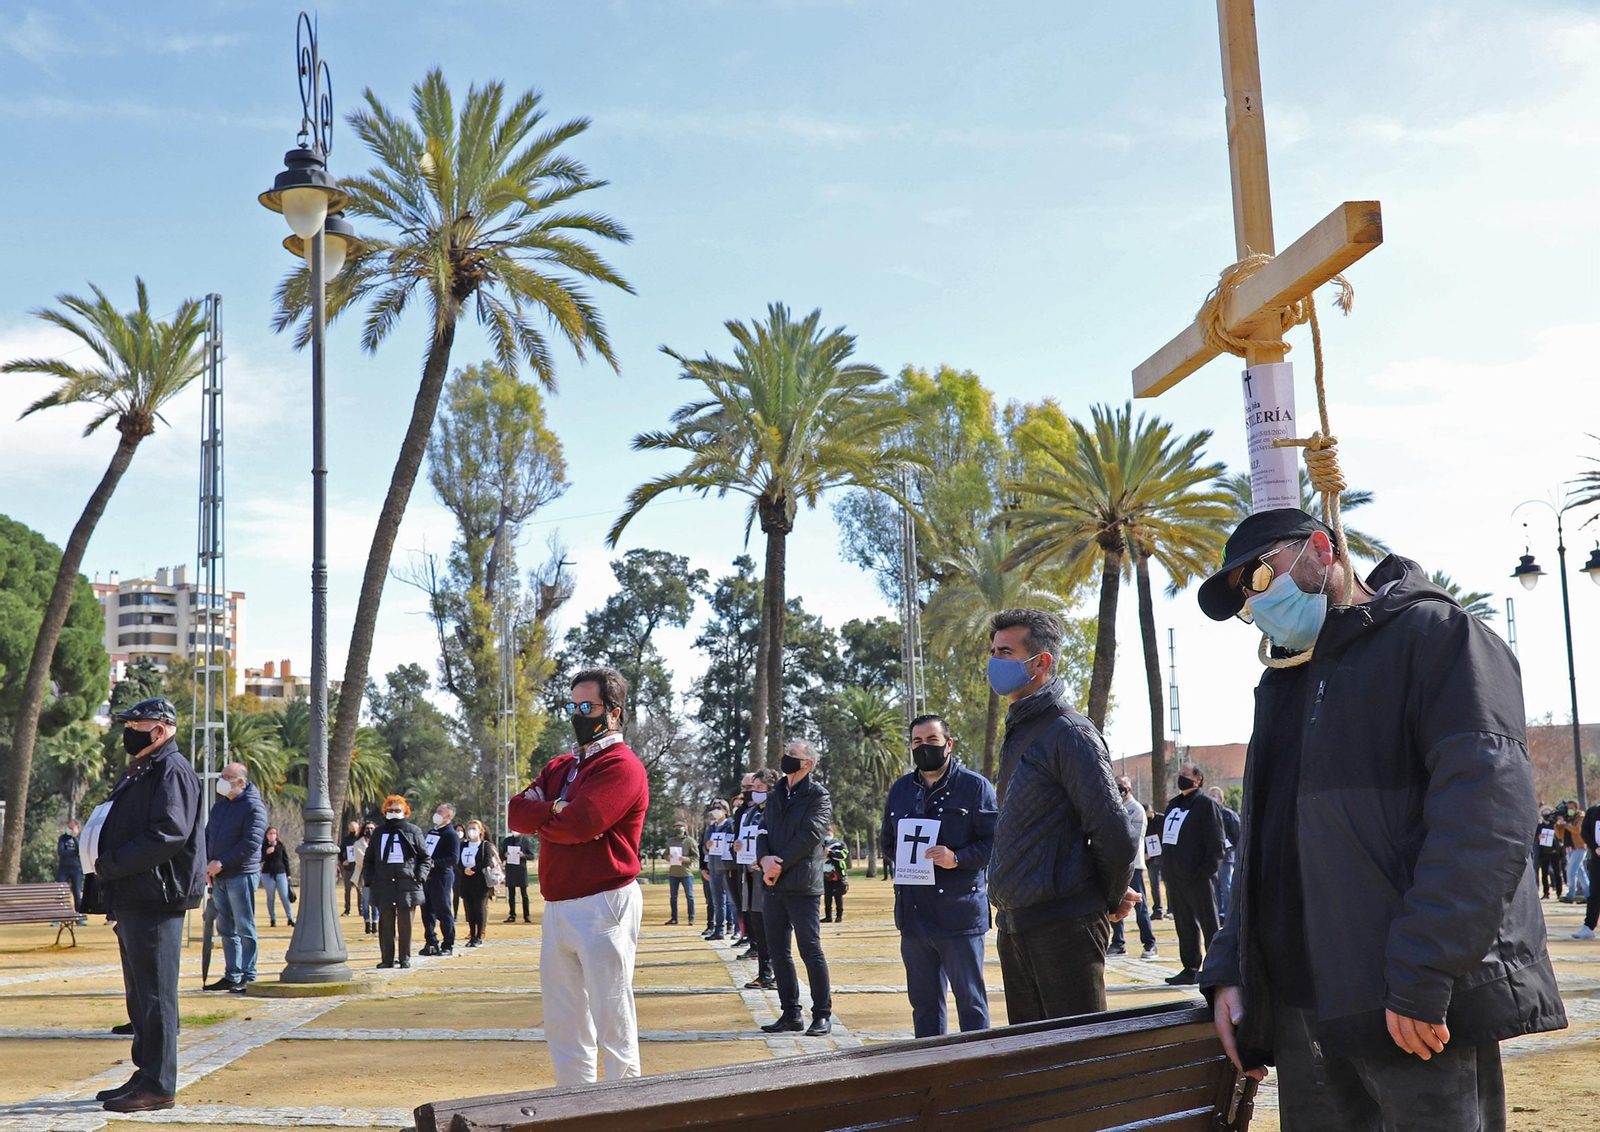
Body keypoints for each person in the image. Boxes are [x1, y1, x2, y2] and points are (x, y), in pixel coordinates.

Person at [1195, 507, 1565, 1129]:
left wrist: (1423, 970)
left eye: (1258, 579)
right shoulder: (1284, 682)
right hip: (1303, 1010)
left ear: (1321, 548)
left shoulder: (1438, 638)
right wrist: (1233, 966)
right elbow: (1266, 843)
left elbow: (1487, 820)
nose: (1254, 606)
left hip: (1408, 1009)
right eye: (1242, 601)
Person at [985, 608, 1139, 1023]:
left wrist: (1103, 899)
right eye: (993, 651)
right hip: (1017, 925)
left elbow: (1114, 834)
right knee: (1032, 1063)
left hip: (1063, 927)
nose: (994, 662)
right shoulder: (1021, 728)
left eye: (1006, 651)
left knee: (1079, 1065)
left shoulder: (1068, 731)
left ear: (1042, 662)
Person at [508, 666, 649, 1086]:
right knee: (564, 1022)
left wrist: (549, 813)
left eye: (588, 706)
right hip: (559, 905)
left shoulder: (621, 766)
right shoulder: (562, 765)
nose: (578, 713)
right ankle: (575, 1108)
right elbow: (516, 813)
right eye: (573, 705)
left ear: (615, 713)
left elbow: (582, 823)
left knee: (612, 1018)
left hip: (604, 901)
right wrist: (555, 809)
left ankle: (624, 1107)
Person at [91, 697, 205, 1113]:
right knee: (140, 996)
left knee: (156, 995)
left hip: (157, 896)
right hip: (135, 894)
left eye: (135, 724)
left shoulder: (172, 771)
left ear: (160, 729)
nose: (128, 730)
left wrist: (115, 864)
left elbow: (169, 833)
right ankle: (145, 1072)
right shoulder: (145, 769)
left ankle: (159, 1084)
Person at [880, 713, 997, 1037]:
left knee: (971, 1004)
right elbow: (886, 841)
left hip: (959, 916)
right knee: (924, 1005)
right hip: (914, 917)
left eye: (932, 740)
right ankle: (932, 1076)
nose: (924, 747)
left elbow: (994, 842)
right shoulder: (901, 789)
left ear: (949, 744)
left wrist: (956, 858)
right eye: (917, 741)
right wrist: (907, 858)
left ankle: (977, 1072)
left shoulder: (975, 787)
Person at [757, 738, 835, 1036]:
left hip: (802, 884)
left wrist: (779, 863)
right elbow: (763, 828)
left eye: (793, 754)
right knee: (778, 952)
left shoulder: (818, 795)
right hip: (772, 884)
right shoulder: (777, 793)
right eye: (786, 752)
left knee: (810, 950)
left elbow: (811, 834)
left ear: (808, 763)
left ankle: (822, 1014)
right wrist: (764, 859)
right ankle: (790, 1013)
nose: (786, 757)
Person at [203, 762, 268, 992]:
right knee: (226, 928)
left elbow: (250, 844)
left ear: (241, 782)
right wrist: (208, 866)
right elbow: (208, 835)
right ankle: (232, 974)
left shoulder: (254, 807)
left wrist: (222, 862)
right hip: (218, 877)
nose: (221, 780)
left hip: (241, 875)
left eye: (227, 777)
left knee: (244, 926)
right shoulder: (220, 807)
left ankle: (248, 975)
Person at [1159, 763, 1225, 986]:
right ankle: (1190, 967)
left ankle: (1217, 968)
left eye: (1185, 776)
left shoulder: (1206, 805)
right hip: (1175, 878)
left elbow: (1217, 844)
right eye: (1179, 775)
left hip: (1199, 878)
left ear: (1198, 779)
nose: (1181, 778)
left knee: (1209, 924)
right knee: (1184, 924)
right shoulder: (1173, 805)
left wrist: (1204, 872)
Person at [364, 795, 430, 968]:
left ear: (405, 812)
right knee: (385, 925)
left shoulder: (413, 831)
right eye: (391, 810)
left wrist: (420, 876)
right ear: (385, 811)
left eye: (397, 810)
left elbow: (425, 858)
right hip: (383, 883)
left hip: (407, 883)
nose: (394, 813)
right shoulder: (378, 832)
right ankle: (387, 958)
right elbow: (369, 859)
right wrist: (370, 879)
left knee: (405, 924)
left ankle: (404, 958)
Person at [735, 769, 777, 986]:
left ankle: (778, 974)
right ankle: (764, 973)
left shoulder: (776, 811)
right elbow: (744, 837)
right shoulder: (750, 812)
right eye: (753, 788)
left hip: (769, 878)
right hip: (750, 875)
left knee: (774, 930)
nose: (755, 792)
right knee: (758, 927)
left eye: (760, 788)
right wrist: (738, 846)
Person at [1108, 777, 1158, 961]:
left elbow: (1134, 838)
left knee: (1140, 905)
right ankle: (1118, 943)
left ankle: (1150, 943)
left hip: (1133, 864)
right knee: (1115, 903)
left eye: (1121, 786)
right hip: (1115, 865)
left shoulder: (1135, 809)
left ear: (1128, 789)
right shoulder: (1114, 807)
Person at [419, 802, 459, 958]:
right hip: (427, 877)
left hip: (441, 876)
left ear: (448, 816)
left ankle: (448, 944)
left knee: (443, 910)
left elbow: (453, 858)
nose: (436, 814)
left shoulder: (451, 834)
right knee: (427, 910)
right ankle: (431, 942)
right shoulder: (432, 832)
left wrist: (435, 863)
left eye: (440, 812)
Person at [458, 818, 499, 948]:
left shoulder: (485, 845)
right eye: (469, 828)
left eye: (474, 828)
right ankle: (472, 933)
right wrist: (464, 869)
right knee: (469, 909)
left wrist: (473, 869)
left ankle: (478, 936)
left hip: (480, 881)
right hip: (466, 880)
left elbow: (487, 861)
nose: (471, 831)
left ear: (480, 831)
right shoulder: (463, 845)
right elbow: (457, 860)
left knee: (479, 908)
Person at [1206, 786, 1242, 920]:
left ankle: (1229, 914)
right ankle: (1218, 914)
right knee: (1215, 888)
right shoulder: (1207, 814)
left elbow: (1238, 836)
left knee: (1226, 887)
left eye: (1214, 796)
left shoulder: (1229, 815)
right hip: (1212, 858)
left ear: (1221, 799)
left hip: (1226, 857)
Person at [703, 800, 737, 941]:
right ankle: (719, 930)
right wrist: (708, 845)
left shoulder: (732, 826)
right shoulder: (711, 828)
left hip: (728, 867)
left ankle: (737, 928)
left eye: (719, 808)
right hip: (714, 867)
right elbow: (704, 848)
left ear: (726, 810)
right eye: (714, 808)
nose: (716, 810)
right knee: (717, 901)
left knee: (732, 901)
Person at [1574, 800, 1600, 941]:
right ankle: (1589, 926)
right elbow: (1585, 832)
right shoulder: (1593, 811)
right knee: (1595, 893)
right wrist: (1595, 847)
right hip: (1597, 859)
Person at [663, 822, 698, 926]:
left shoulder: (690, 841)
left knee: (690, 896)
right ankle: (674, 918)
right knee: (673, 897)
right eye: (676, 827)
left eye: (680, 827)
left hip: (686, 873)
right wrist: (667, 857)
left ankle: (691, 918)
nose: (678, 829)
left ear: (685, 828)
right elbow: (665, 854)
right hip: (673, 873)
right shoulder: (671, 841)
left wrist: (685, 859)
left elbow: (696, 856)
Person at [1556, 800, 1590, 903]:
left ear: (1576, 808)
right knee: (1581, 873)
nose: (1569, 810)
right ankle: (1589, 896)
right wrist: (1558, 825)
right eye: (1568, 808)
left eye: (1571, 808)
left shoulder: (1581, 817)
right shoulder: (1568, 818)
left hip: (1579, 847)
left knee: (1571, 872)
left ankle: (1570, 895)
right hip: (1569, 848)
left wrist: (1565, 824)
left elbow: (1577, 830)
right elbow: (1559, 835)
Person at [260, 827, 295, 929]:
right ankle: (272, 918)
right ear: (266, 835)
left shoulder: (281, 846)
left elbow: (285, 860)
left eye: (274, 833)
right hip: (267, 874)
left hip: (281, 873)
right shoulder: (264, 847)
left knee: (284, 896)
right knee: (271, 897)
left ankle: (290, 918)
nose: (272, 835)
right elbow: (259, 859)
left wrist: (288, 874)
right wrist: (266, 853)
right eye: (270, 833)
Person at [502, 831, 534, 924]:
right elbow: (501, 853)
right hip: (510, 869)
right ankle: (512, 914)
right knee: (511, 894)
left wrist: (523, 855)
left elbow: (531, 856)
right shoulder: (507, 841)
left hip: (521, 870)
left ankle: (526, 915)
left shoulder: (525, 841)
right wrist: (505, 855)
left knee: (524, 894)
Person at [821, 825, 849, 923]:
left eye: (829, 831)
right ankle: (828, 916)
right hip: (824, 875)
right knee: (827, 896)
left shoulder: (840, 844)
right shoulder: (819, 844)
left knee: (838, 895)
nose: (827, 833)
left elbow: (843, 855)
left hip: (837, 874)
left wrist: (830, 853)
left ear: (833, 832)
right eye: (825, 831)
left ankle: (839, 916)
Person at [57, 818, 84, 917]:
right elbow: (61, 851)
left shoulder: (80, 837)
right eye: (68, 827)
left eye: (71, 827)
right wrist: (74, 853)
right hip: (63, 868)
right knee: (61, 892)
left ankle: (79, 914)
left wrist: (75, 838)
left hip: (77, 869)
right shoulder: (63, 838)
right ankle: (59, 915)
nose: (69, 829)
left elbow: (81, 851)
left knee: (77, 892)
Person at [1535, 807, 1564, 900]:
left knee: (1557, 873)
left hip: (1555, 852)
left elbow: (1560, 836)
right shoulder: (1539, 826)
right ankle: (1546, 892)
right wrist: (1538, 837)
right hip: (1544, 853)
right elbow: (1535, 838)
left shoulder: (1554, 825)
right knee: (1544, 873)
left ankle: (1559, 892)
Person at [355, 821, 376, 933]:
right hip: (365, 875)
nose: (370, 831)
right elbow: (361, 860)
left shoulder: (377, 843)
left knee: (376, 900)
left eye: (372, 828)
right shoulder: (358, 843)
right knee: (366, 900)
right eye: (367, 828)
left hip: (377, 875)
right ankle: (367, 922)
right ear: (363, 830)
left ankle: (375, 923)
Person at [339, 819, 361, 916]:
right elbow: (341, 852)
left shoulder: (361, 839)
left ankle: (361, 910)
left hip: (358, 867)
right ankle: (347, 909)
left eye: (354, 829)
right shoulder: (346, 839)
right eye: (351, 830)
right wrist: (343, 861)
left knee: (360, 890)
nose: (353, 832)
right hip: (348, 868)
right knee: (347, 890)